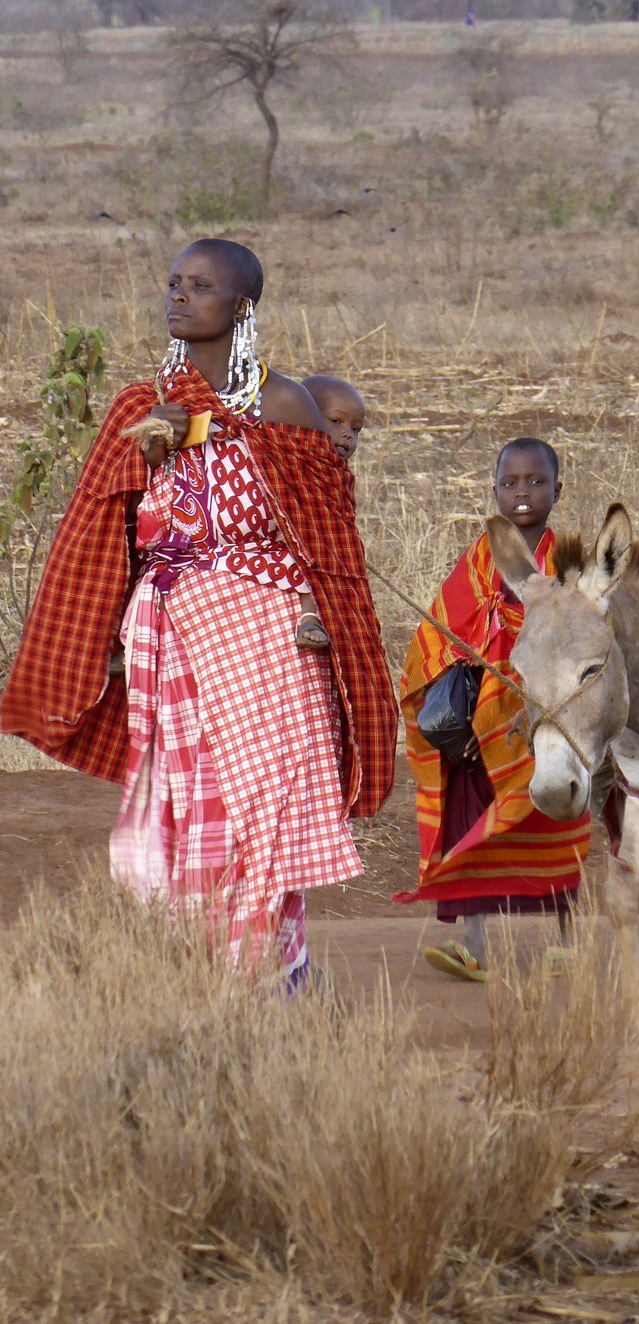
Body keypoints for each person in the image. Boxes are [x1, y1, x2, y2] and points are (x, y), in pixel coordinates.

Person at [0, 238, 398, 986]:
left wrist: (211, 435)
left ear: (240, 307)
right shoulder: (138, 407)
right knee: (189, 811)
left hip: (268, 639)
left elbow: (328, 538)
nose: (178, 296)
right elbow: (99, 529)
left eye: (201, 286)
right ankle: (202, 980)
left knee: (261, 808)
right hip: (170, 632)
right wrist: (149, 451)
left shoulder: (284, 406)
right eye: (174, 283)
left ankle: (271, 981)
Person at [396, 436, 591, 981]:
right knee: (472, 826)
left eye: (535, 482)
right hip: (478, 729)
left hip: (545, 724)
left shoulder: (568, 563)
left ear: (558, 488)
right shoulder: (479, 559)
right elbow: (442, 625)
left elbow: (581, 638)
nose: (522, 493)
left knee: (554, 827)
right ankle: (472, 944)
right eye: (510, 483)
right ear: (495, 490)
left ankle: (566, 943)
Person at [292, 375, 367, 651]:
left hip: (333, 569)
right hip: (292, 564)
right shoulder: (288, 464)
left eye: (356, 429)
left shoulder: (340, 478)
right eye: (336, 422)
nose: (348, 434)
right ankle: (309, 618)